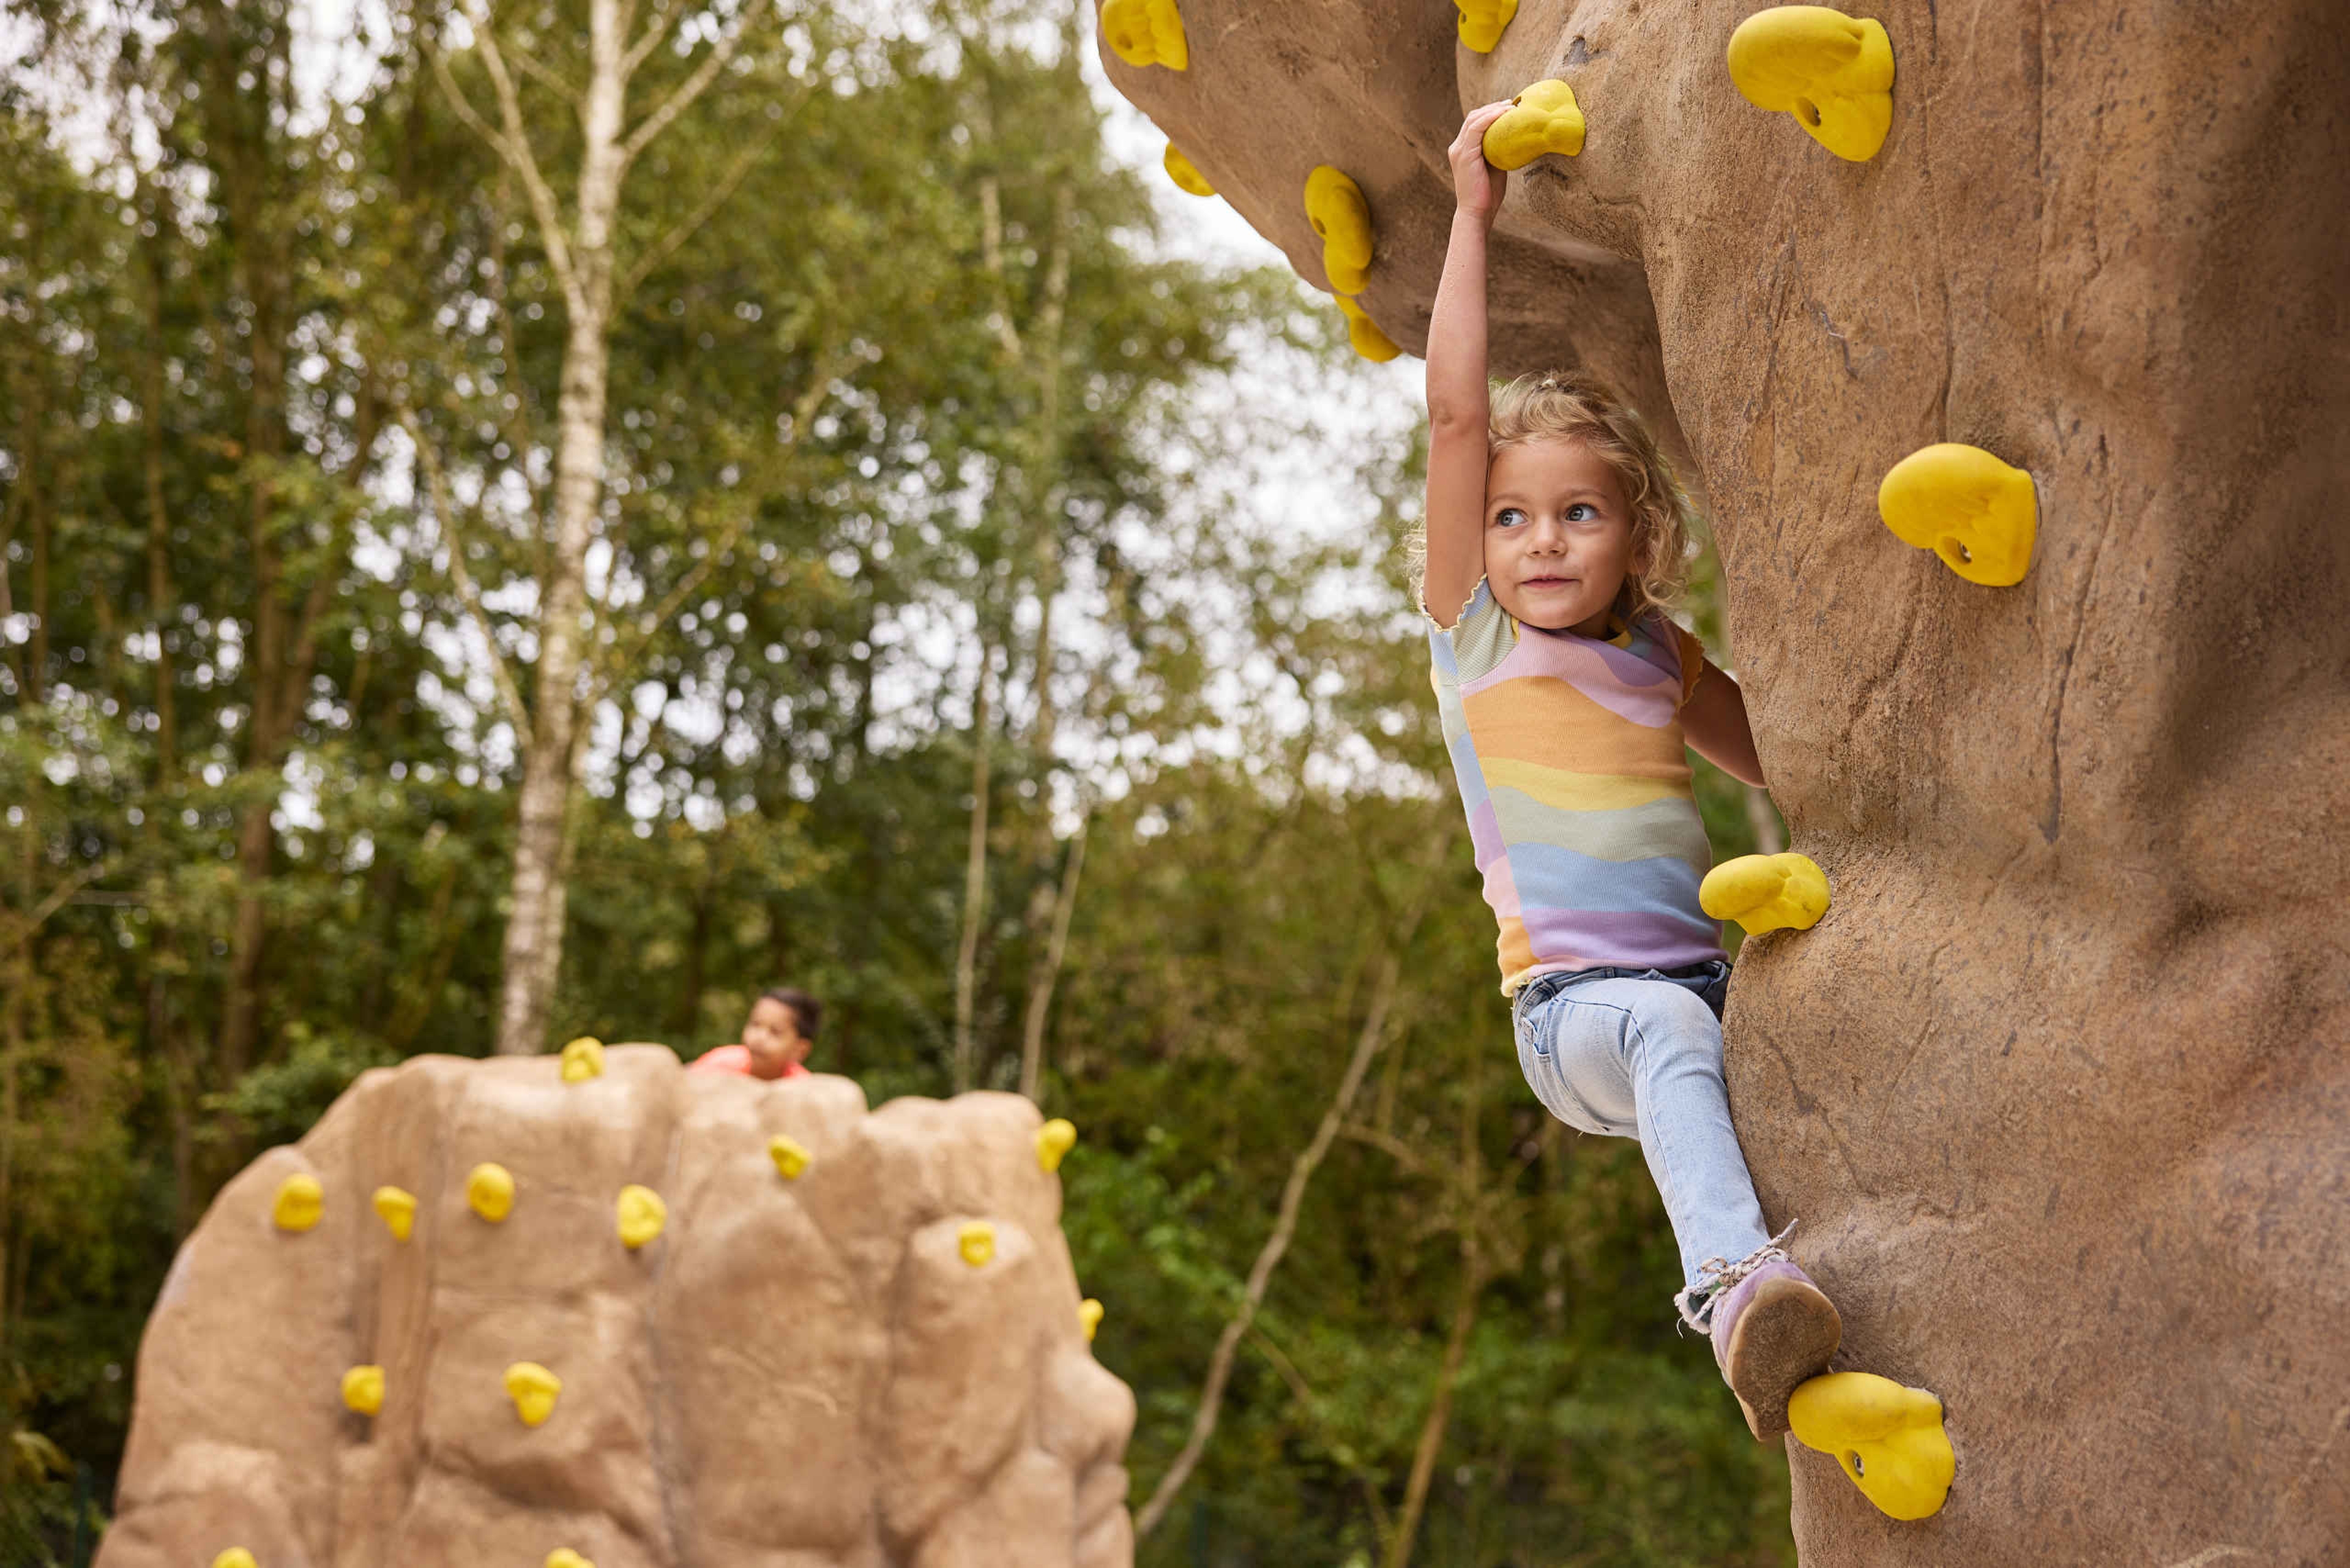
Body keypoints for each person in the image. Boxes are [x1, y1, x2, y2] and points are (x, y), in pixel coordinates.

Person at [1417, 102, 1841, 1443]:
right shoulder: (1474, 635)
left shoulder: (1661, 653)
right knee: (1667, 1029)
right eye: (1510, 517)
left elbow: (1790, 758)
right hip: (1578, 1016)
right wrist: (1471, 216)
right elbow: (1454, 416)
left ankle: (1825, 1293)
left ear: (1635, 535)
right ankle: (1733, 1292)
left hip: (1710, 990)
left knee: (1797, 1022)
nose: (1541, 541)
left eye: (1578, 512)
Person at [688, 987, 823, 1081]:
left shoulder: (803, 1088)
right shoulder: (718, 1066)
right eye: (755, 1024)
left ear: (800, 1050)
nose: (759, 1038)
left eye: (775, 1032)